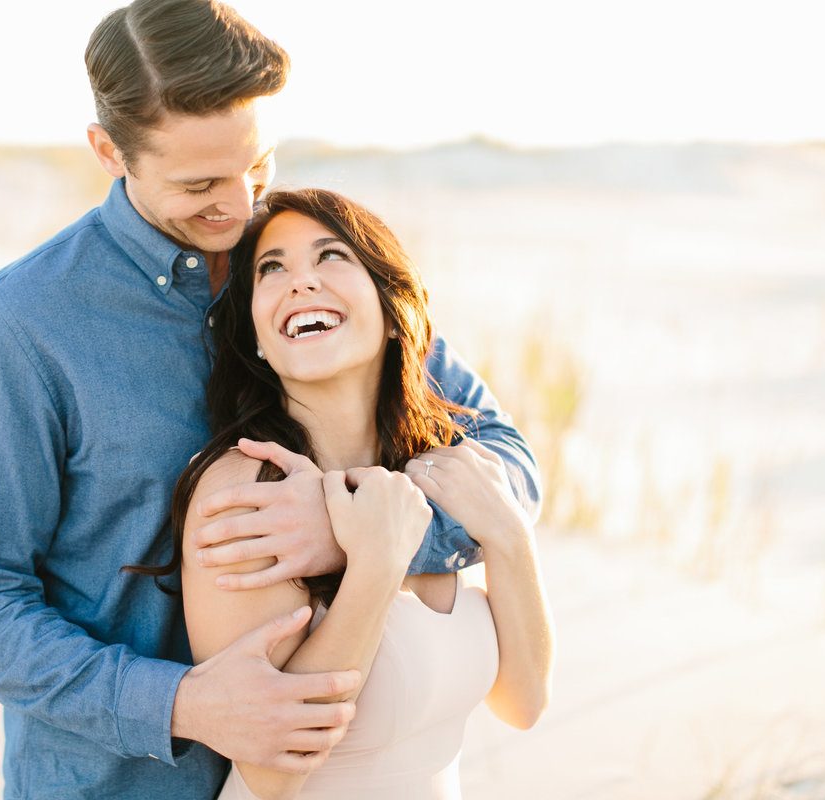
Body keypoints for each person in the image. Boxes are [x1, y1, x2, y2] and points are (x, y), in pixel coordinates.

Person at [0, 1, 541, 797]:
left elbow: (508, 464)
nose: (238, 202)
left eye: (257, 164)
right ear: (108, 151)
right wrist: (181, 702)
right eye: (199, 183)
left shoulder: (303, 272)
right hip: (121, 784)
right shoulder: (25, 326)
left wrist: (347, 528)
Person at [130, 187, 554, 799]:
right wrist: (375, 566)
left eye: (331, 256)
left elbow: (524, 701)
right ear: (254, 335)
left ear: (391, 312)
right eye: (271, 268)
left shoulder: (440, 470)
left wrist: (510, 537)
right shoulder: (249, 488)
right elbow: (272, 772)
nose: (300, 282)